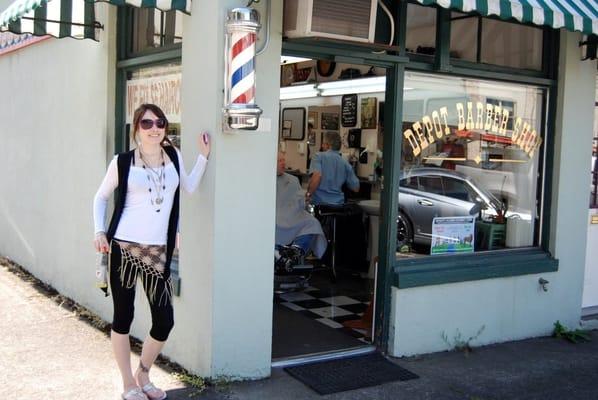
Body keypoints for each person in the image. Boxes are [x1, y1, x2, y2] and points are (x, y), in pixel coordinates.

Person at [93, 103, 210, 400]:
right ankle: (127, 384)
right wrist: (99, 231)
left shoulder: (173, 156)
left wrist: (203, 158)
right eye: (147, 123)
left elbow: (189, 187)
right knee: (124, 317)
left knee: (164, 319)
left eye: (160, 122)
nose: (155, 128)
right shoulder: (122, 163)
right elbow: (101, 197)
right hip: (125, 249)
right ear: (136, 129)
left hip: (158, 252)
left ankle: (143, 372)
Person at [275, 151, 327, 268]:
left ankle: (295, 250)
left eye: (283, 160)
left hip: (292, 215)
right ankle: (278, 252)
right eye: (279, 161)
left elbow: (298, 199)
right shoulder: (264, 181)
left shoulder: (293, 180)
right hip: (275, 216)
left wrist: (305, 199)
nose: (283, 163)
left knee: (312, 223)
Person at [306, 131, 360, 205]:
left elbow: (317, 176)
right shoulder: (345, 163)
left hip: (319, 204)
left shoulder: (318, 156)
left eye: (323, 143)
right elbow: (356, 188)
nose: (322, 146)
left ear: (328, 145)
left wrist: (308, 194)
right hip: (338, 206)